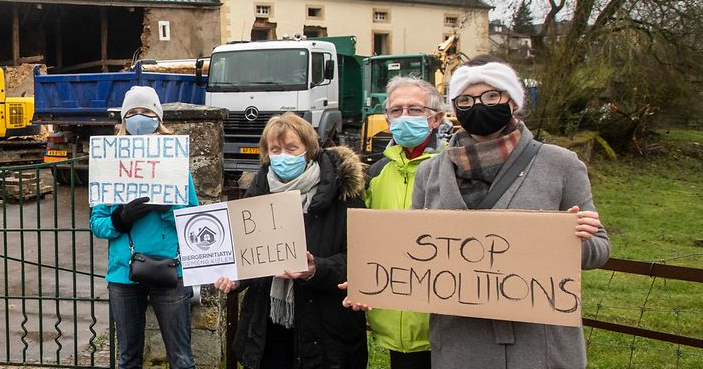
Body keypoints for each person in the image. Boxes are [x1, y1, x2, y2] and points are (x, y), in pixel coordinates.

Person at [347, 59, 608, 368]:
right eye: (466, 100)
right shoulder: (431, 172)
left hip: (538, 347)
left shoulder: (560, 165)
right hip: (458, 345)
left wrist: (577, 239)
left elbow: (599, 251)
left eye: (491, 97)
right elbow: (413, 252)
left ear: (512, 101)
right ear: (455, 109)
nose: (479, 106)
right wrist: (370, 283)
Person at [216, 113, 367, 369]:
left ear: (308, 150)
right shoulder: (258, 193)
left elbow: (363, 258)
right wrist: (235, 276)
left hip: (326, 331)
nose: (283, 155)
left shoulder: (343, 195)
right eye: (275, 149)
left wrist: (316, 268)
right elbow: (248, 254)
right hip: (268, 328)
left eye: (291, 148)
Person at [88, 86, 198, 369]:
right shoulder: (108, 165)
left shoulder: (176, 166)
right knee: (127, 358)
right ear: (124, 120)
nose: (139, 117)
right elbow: (97, 222)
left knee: (181, 358)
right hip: (124, 273)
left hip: (171, 270)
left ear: (158, 118)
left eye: (147, 112)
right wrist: (120, 219)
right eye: (133, 113)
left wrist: (167, 209)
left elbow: (193, 221)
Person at [362, 77, 448, 369]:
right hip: (394, 316)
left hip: (445, 321)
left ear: (435, 119)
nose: (404, 117)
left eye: (414, 109)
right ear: (386, 119)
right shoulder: (377, 173)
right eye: (396, 111)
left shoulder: (455, 168)